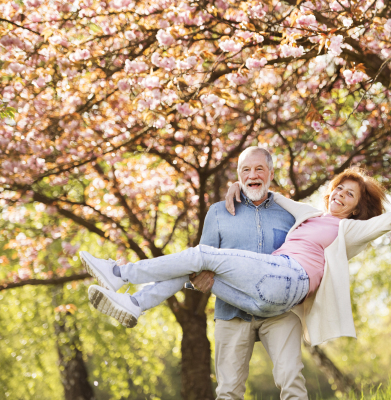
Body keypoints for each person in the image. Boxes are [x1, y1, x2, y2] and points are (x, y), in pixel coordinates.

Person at [82, 167, 391, 348]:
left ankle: (120, 274)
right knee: (195, 264)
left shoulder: (349, 230)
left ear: (357, 209)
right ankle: (134, 303)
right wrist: (242, 186)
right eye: (339, 189)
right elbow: (272, 195)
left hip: (288, 279)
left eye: (349, 195)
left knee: (204, 252)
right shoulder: (309, 214)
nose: (340, 195)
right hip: (266, 300)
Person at [83, 147, 309, 399]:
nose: (252, 175)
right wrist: (197, 283)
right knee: (228, 392)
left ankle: (127, 287)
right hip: (232, 310)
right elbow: (196, 266)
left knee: (292, 382)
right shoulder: (219, 211)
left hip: (278, 312)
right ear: (238, 175)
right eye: (245, 169)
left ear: (271, 173)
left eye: (259, 169)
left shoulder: (291, 215)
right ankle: (131, 295)